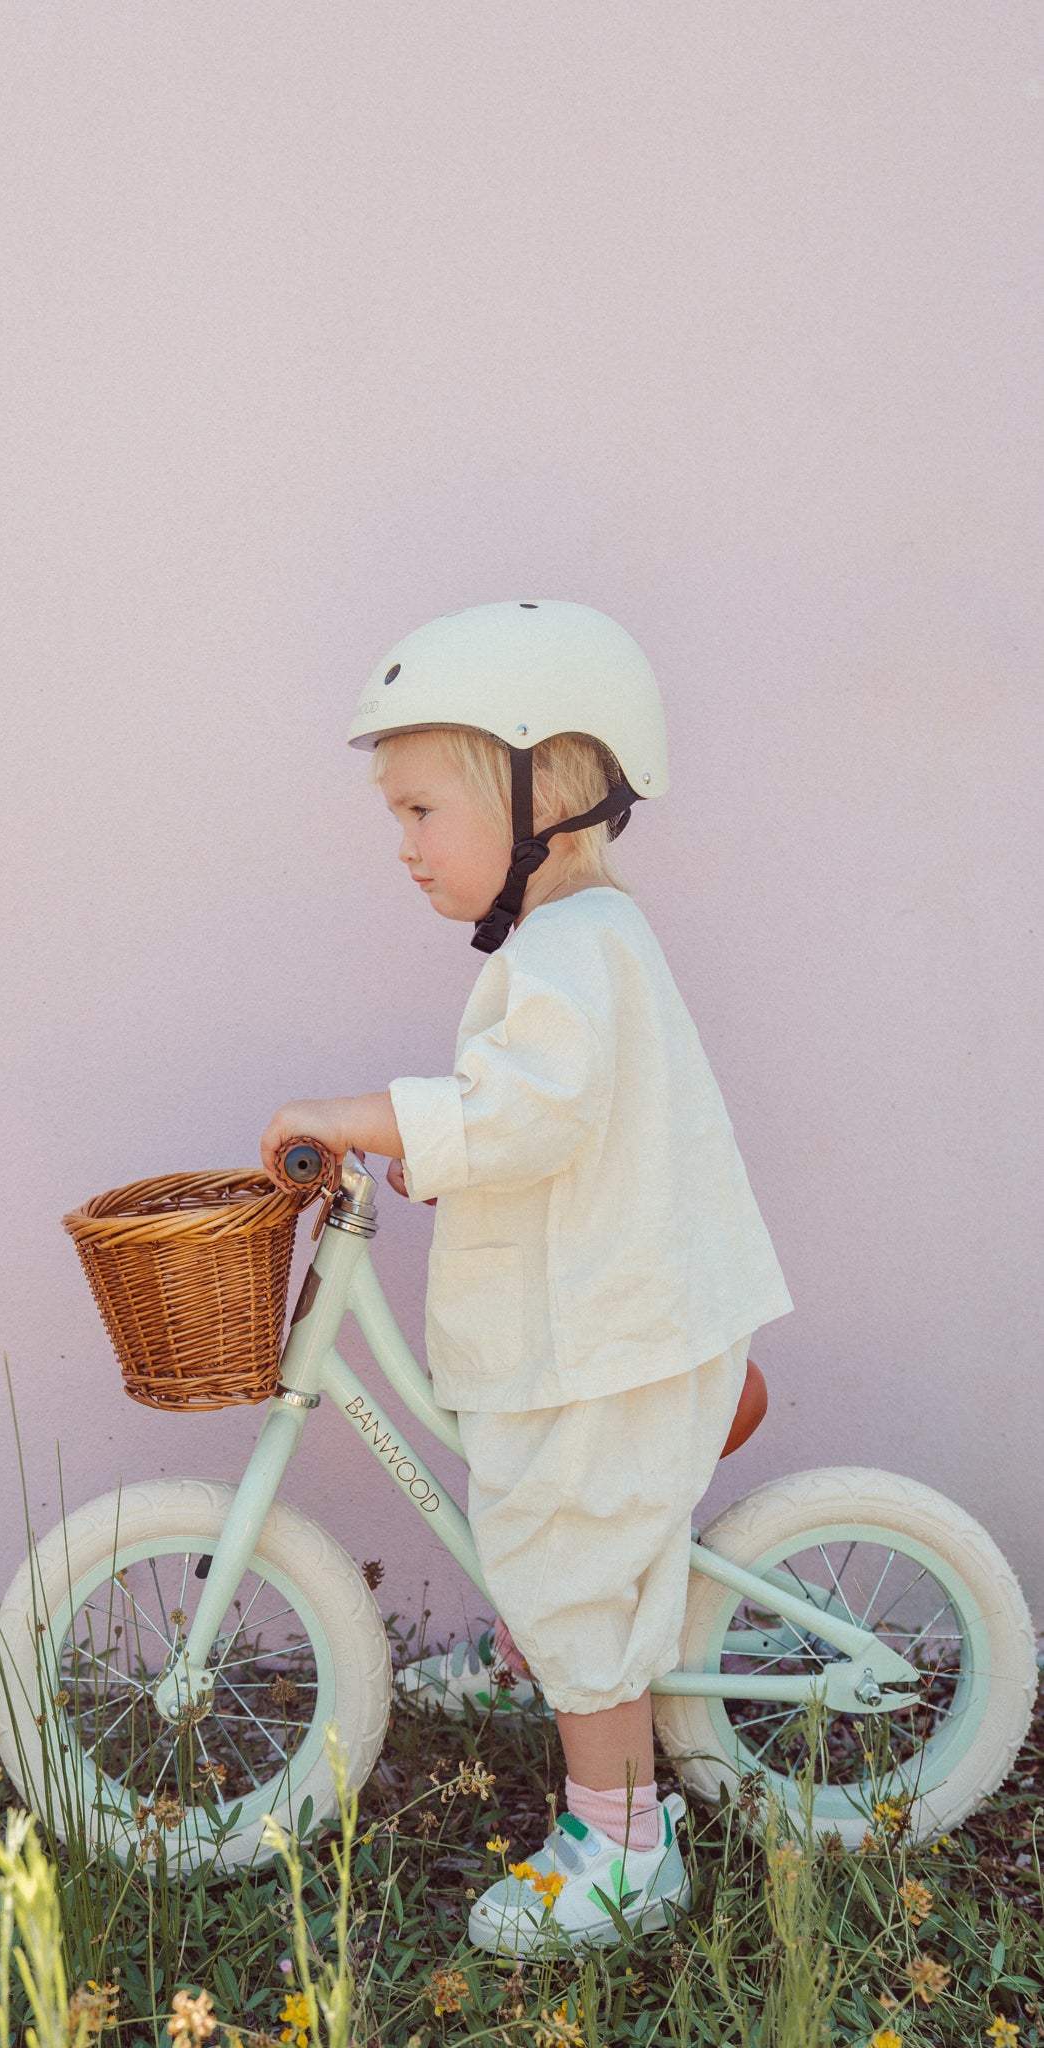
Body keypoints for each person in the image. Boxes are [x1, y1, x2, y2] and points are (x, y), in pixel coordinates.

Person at [259, 599, 792, 1954]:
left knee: (570, 1581)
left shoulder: (576, 953)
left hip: (610, 1342)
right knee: (544, 1541)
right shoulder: (571, 945)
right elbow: (536, 1122)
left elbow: (519, 1116)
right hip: (604, 1323)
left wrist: (363, 1115)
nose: (403, 844)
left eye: (422, 808)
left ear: (535, 788)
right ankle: (543, 1660)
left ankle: (623, 1853)